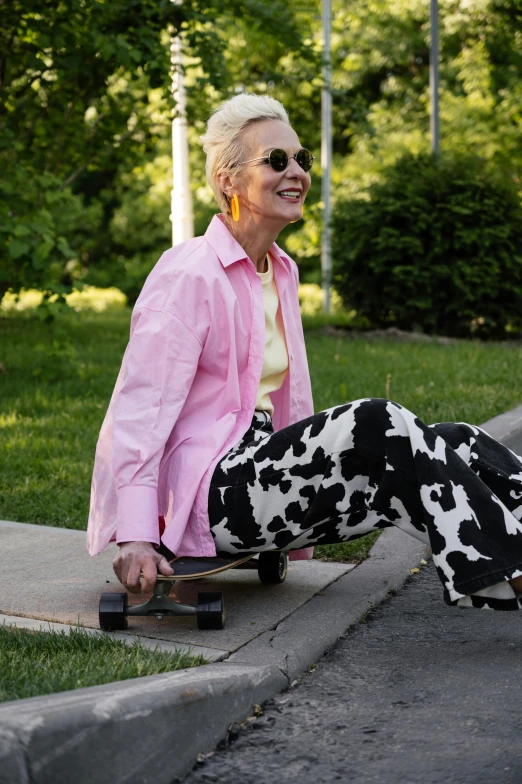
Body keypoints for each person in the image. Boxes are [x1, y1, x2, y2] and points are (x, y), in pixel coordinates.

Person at [87, 93, 522, 611]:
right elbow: (140, 410)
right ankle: (513, 573)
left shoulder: (281, 270)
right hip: (212, 492)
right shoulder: (189, 274)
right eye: (275, 160)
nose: (295, 171)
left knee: (457, 442)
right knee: (376, 421)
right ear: (228, 180)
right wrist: (136, 532)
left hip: (265, 467)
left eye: (301, 159)